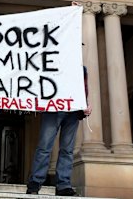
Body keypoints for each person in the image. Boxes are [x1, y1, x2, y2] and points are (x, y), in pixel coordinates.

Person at [26, 65, 92, 196]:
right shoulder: (52, 62)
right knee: (44, 147)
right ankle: (35, 183)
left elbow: (83, 89)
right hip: (53, 108)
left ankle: (63, 185)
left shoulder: (82, 69)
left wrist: (85, 104)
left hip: (73, 111)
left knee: (67, 150)